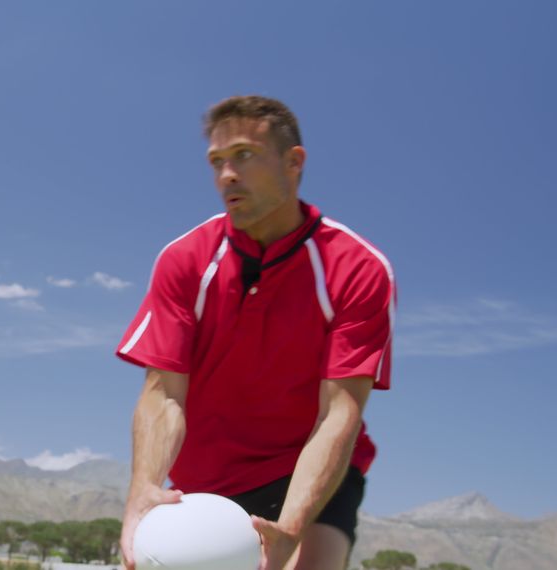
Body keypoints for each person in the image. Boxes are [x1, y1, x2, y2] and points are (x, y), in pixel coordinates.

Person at [116, 96, 394, 570]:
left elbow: (338, 414)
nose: (226, 174)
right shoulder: (184, 259)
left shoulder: (358, 268)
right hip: (205, 479)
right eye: (216, 161)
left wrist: (291, 525)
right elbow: (164, 394)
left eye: (243, 155)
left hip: (303, 468)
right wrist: (143, 489)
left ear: (293, 162)